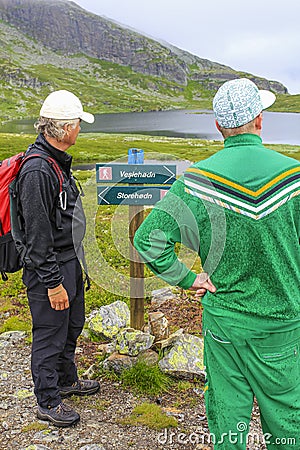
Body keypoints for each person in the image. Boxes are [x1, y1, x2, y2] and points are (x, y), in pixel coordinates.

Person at [134, 78, 300, 449]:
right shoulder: (294, 176)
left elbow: (147, 239)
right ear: (259, 120)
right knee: (288, 422)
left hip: (224, 321)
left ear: (218, 126)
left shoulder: (196, 181)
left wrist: (187, 278)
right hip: (283, 323)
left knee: (227, 417)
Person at [17, 90, 100, 427]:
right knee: (50, 334)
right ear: (65, 129)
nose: (80, 128)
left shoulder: (56, 162)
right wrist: (53, 284)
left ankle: (66, 381)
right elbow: (37, 237)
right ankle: (48, 401)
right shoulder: (38, 171)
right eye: (78, 123)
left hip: (69, 262)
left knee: (72, 325)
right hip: (48, 270)